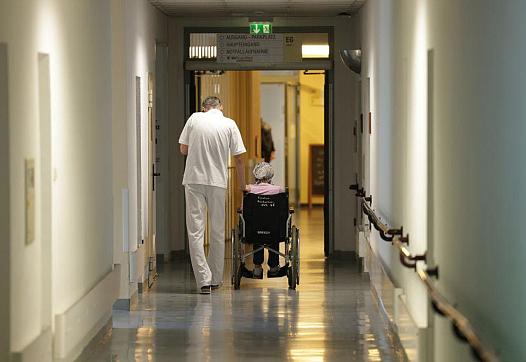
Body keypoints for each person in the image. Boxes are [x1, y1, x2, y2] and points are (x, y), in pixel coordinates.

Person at [179, 96, 246, 294]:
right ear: (221, 107)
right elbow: (240, 158)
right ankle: (216, 278)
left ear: (204, 108)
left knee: (195, 231)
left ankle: (203, 281)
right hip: (217, 182)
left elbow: (183, 149)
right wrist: (243, 186)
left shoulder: (194, 118)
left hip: (193, 180)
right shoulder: (229, 124)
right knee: (217, 231)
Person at [245, 162, 286, 279]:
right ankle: (273, 267)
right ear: (270, 175)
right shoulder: (279, 191)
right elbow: (283, 212)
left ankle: (257, 268)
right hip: (274, 230)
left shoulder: (249, 190)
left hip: (254, 230)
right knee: (273, 229)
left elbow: (244, 210)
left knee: (256, 230)